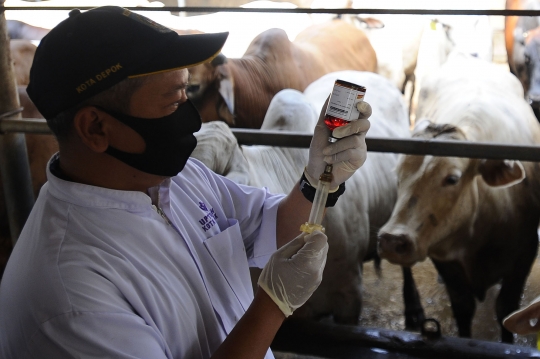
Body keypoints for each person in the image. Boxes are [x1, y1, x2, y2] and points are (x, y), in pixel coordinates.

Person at [0, 6, 372, 359]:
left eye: (186, 91)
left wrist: (316, 178)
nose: (192, 119)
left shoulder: (175, 179)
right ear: (96, 127)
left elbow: (269, 225)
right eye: (173, 102)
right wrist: (273, 305)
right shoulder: (68, 295)